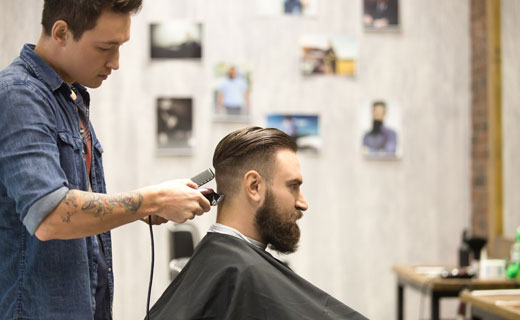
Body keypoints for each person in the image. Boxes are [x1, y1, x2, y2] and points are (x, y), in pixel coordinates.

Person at [0, 1, 211, 319]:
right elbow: (51, 215)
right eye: (105, 47)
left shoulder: (69, 98)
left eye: (120, 47)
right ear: (61, 32)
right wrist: (151, 200)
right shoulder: (19, 96)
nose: (115, 62)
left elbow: (72, 204)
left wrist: (149, 205)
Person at [148, 127, 367, 319]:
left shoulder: (230, 265)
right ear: (254, 186)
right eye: (293, 186)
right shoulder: (240, 271)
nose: (303, 203)